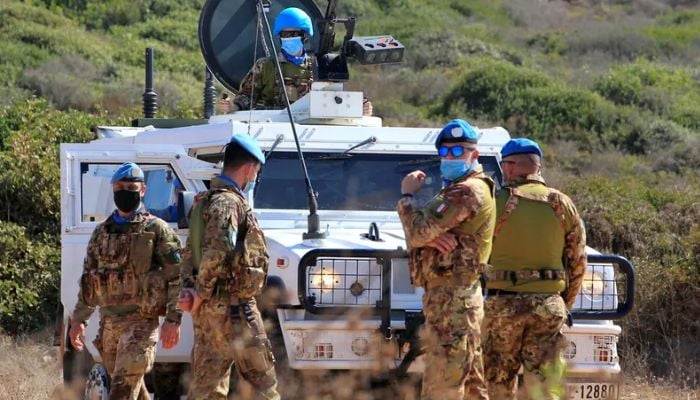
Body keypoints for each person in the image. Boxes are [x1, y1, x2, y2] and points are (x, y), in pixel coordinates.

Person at [482, 138, 587, 399]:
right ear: (537, 166)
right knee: (543, 388)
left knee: (497, 385)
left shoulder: (495, 201)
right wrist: (564, 303)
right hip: (548, 307)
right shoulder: (562, 203)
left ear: (509, 166)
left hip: (501, 306)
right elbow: (578, 261)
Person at [397, 119, 494, 400]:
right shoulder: (457, 188)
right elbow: (424, 232)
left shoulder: (467, 190)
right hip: (453, 297)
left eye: (458, 152)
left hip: (454, 298)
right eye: (445, 152)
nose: (450, 157)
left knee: (443, 383)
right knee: (472, 383)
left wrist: (406, 196)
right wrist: (427, 236)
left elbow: (418, 231)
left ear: (474, 155)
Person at [69, 162, 183, 400]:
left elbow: (177, 276)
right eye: (120, 187)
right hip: (109, 323)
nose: (125, 192)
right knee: (131, 388)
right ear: (112, 189)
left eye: (131, 187)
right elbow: (89, 279)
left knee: (121, 391)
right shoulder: (101, 232)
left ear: (143, 191)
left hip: (141, 323)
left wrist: (174, 319)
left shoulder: (156, 229)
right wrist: (79, 319)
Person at [179, 134, 279, 400]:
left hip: (209, 308)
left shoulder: (204, 202)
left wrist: (191, 293)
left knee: (207, 388)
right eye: (256, 171)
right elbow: (218, 250)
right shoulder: (229, 203)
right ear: (248, 168)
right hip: (233, 309)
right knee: (264, 385)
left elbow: (189, 254)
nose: (254, 177)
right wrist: (199, 292)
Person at [219, 7, 373, 116]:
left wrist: (360, 107)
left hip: (308, 132)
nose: (289, 38)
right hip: (270, 130)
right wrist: (233, 105)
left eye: (294, 34)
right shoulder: (266, 66)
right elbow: (246, 97)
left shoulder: (320, 66)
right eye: (284, 35)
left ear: (305, 36)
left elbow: (333, 101)